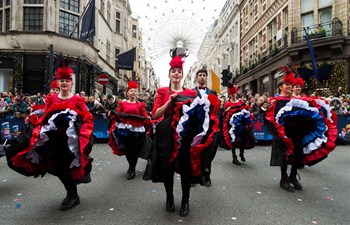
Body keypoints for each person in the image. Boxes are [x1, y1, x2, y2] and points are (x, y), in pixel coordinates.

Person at [6, 65, 94, 210]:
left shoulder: (78, 100)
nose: (64, 83)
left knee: (63, 166)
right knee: (57, 167)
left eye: (67, 80)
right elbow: (45, 115)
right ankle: (72, 193)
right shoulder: (51, 99)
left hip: (69, 142)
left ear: (71, 83)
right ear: (58, 83)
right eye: (61, 80)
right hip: (51, 140)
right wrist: (32, 118)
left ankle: (72, 194)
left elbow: (87, 118)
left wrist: (83, 132)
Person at [150, 56, 217, 217]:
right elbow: (155, 114)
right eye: (173, 71)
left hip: (185, 136)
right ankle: (170, 198)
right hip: (166, 134)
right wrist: (169, 102)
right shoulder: (162, 91)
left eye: (179, 71)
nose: (176, 74)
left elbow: (198, 113)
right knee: (168, 168)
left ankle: (185, 201)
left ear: (182, 74)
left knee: (186, 168)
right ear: (169, 75)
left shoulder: (190, 93)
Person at [264, 67, 337, 192]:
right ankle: (284, 179)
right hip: (283, 133)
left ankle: (293, 176)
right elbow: (270, 118)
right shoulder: (275, 101)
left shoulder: (296, 100)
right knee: (285, 156)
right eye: (287, 84)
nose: (289, 86)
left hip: (297, 132)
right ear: (280, 87)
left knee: (298, 154)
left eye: (290, 85)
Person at [108, 81, 149, 180]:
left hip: (137, 130)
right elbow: (119, 113)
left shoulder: (140, 104)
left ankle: (132, 169)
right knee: (127, 149)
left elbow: (144, 115)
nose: (133, 93)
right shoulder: (122, 103)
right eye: (131, 91)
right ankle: (131, 166)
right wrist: (111, 113)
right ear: (127, 93)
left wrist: (148, 117)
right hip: (125, 129)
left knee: (134, 149)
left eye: (135, 91)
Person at [192, 66, 220, 187]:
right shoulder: (192, 92)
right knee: (194, 150)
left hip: (209, 126)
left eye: (204, 75)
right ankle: (193, 176)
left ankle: (207, 175)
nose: (202, 77)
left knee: (208, 150)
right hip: (196, 127)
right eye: (200, 75)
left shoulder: (212, 92)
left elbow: (217, 108)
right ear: (197, 78)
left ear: (206, 78)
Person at [223, 84, 255, 165]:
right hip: (232, 125)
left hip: (242, 124)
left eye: (234, 93)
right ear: (229, 94)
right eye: (232, 93)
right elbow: (223, 114)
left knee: (244, 138)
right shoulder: (227, 104)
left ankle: (241, 152)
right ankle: (234, 157)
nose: (233, 95)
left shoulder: (241, 102)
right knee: (233, 140)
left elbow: (247, 110)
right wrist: (227, 110)